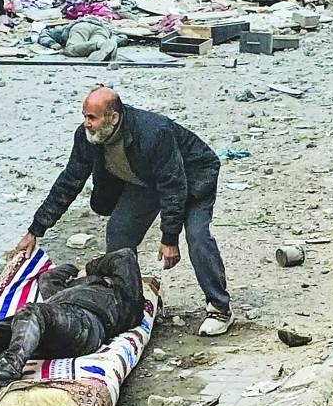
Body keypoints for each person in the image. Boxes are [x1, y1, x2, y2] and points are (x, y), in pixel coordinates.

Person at [12, 86, 233, 336]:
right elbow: (69, 182)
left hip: (193, 177)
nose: (86, 123)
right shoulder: (87, 137)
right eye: (84, 116)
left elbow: (173, 185)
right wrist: (35, 230)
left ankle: (219, 307)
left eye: (92, 117)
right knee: (118, 234)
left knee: (197, 237)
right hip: (144, 180)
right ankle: (126, 304)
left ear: (114, 117)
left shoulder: (153, 132)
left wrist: (169, 238)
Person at [0, 249, 144, 388]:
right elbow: (49, 276)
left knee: (32, 312)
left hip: (86, 325)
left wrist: (90, 269)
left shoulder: (124, 296)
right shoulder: (64, 289)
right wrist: (75, 273)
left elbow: (124, 256)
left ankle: (9, 366)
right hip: (40, 329)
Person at [38, 18, 120, 62]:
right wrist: (114, 40)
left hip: (80, 26)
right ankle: (101, 44)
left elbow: (44, 34)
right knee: (96, 46)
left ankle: (98, 45)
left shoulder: (61, 29)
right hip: (102, 30)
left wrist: (51, 43)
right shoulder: (109, 29)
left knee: (70, 49)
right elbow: (123, 37)